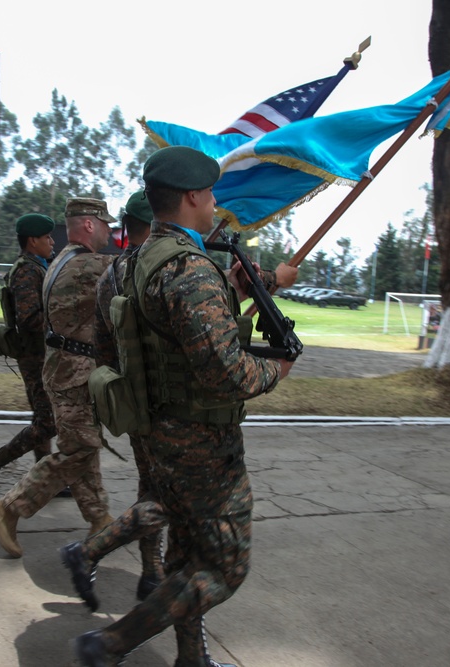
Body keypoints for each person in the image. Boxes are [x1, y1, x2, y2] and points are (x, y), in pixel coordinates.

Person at [74, 146, 294, 667]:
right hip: (203, 444)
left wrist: (231, 295)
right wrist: (275, 370)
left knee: (185, 556)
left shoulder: (123, 269)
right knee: (222, 568)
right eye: (211, 192)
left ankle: (191, 658)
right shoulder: (192, 270)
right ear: (193, 196)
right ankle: (110, 643)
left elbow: (121, 349)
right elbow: (227, 373)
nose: (215, 202)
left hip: (155, 435)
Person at [0, 197, 117, 558]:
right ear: (89, 225)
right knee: (80, 449)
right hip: (71, 373)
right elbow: (134, 274)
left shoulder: (61, 260)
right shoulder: (88, 265)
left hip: (66, 370)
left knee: (83, 447)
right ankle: (8, 508)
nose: (110, 231)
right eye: (106, 224)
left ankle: (100, 517)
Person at [60, 190, 164, 611]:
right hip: (164, 405)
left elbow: (102, 346)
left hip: (134, 399)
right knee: (172, 495)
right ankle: (89, 553)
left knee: (153, 486)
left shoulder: (115, 271)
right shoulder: (153, 270)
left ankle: (153, 570)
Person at [0, 213, 57, 502]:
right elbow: (29, 318)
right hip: (34, 356)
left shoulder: (35, 267)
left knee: (43, 419)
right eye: (47, 238)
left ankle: (47, 481)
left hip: (38, 354)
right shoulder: (26, 271)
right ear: (33, 241)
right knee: (47, 423)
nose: (52, 242)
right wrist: (62, 318)